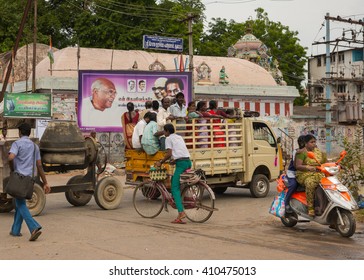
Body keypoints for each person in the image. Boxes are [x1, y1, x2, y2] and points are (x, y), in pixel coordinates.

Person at [8, 123, 51, 241]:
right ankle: (15, 230)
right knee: (19, 202)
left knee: (20, 204)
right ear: (29, 133)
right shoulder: (34, 146)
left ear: (20, 132)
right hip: (29, 180)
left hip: (18, 178)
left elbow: (11, 157)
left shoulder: (17, 143)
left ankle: (34, 227)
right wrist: (45, 182)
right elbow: (39, 165)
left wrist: (12, 169)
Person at [155, 123, 191, 224]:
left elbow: (169, 153)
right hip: (188, 162)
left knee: (174, 188)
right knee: (180, 185)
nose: (164, 133)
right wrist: (174, 161)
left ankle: (181, 212)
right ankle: (182, 200)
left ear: (167, 131)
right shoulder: (179, 137)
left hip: (181, 164)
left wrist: (161, 162)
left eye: (164, 131)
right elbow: (181, 152)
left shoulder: (168, 139)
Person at [295, 134, 327, 217]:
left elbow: (325, 163)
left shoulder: (319, 152)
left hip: (318, 173)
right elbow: (298, 166)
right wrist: (309, 168)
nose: (314, 144)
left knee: (328, 183)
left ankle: (325, 207)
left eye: (314, 142)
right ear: (306, 143)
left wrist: (336, 165)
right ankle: (311, 208)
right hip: (304, 174)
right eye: (311, 142)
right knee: (310, 183)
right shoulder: (301, 152)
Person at [284, 135, 306, 214]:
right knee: (293, 185)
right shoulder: (296, 151)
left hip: (305, 172)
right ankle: (286, 203)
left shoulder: (312, 151)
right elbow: (295, 164)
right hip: (293, 173)